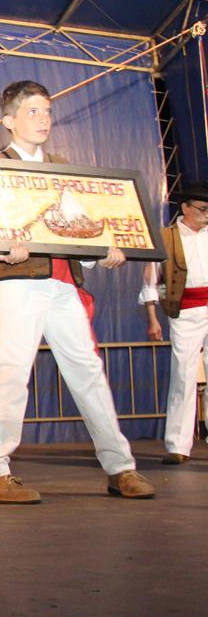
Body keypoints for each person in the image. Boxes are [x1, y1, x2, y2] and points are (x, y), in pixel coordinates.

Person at [0, 80, 154, 503]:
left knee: (88, 372)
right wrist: (1, 249)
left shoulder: (65, 169)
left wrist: (100, 252)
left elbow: (82, 230)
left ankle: (120, 467)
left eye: (47, 111)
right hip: (18, 283)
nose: (43, 119)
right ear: (8, 120)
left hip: (64, 282)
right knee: (13, 371)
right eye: (32, 111)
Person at [140, 181, 208, 465]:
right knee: (183, 375)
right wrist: (153, 318)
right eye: (203, 209)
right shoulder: (165, 237)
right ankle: (178, 445)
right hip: (186, 311)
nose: (206, 215)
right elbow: (150, 280)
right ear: (185, 208)